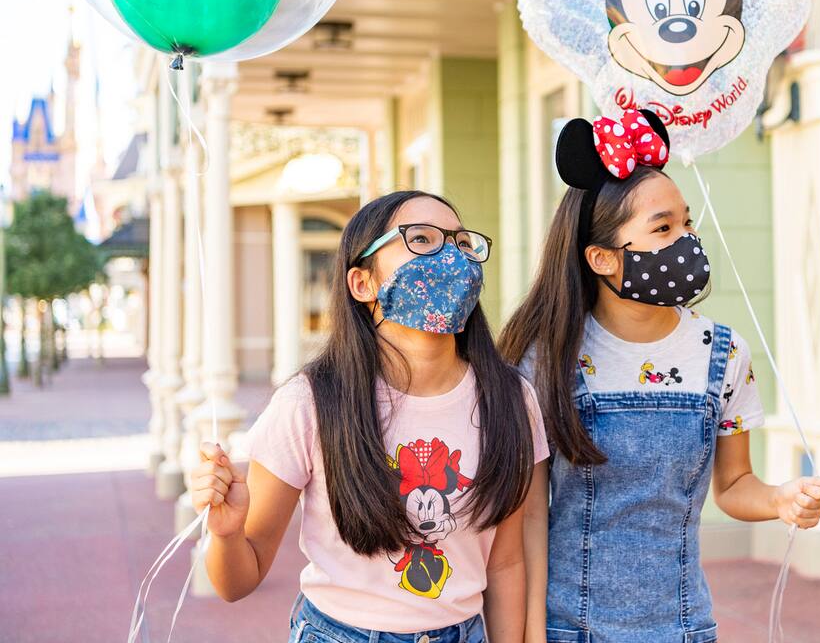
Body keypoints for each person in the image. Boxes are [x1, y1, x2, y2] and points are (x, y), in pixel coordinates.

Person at [499, 108, 820, 643]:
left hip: (682, 628)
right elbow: (528, 515)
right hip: (566, 629)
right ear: (602, 258)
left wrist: (781, 499)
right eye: (663, 228)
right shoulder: (546, 360)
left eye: (687, 222)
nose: (687, 241)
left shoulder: (724, 355)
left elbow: (734, 485)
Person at [189, 190, 550, 643]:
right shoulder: (310, 402)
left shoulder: (512, 399)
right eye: (421, 239)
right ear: (362, 283)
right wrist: (225, 534)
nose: (451, 258)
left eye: (461, 244)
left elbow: (506, 562)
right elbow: (237, 581)